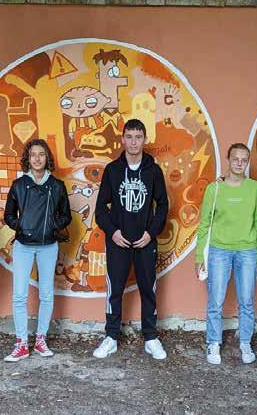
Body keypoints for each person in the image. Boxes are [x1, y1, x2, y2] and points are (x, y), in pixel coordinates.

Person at [92, 118, 169, 360]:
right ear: (123, 139)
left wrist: (151, 233)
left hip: (145, 241)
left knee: (148, 290)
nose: (134, 142)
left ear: (144, 140)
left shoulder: (153, 171)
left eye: (138, 137)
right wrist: (113, 232)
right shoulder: (112, 170)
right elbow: (100, 209)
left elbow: (163, 206)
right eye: (129, 137)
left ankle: (151, 337)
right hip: (119, 241)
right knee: (114, 290)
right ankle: (111, 337)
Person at [195, 143, 257, 365]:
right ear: (228, 160)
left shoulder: (256, 189)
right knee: (215, 301)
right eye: (235, 158)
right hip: (219, 250)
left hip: (248, 251)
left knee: (246, 301)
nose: (239, 163)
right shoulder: (214, 189)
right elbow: (204, 224)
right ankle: (213, 342)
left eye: (244, 160)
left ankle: (245, 342)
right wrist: (199, 257)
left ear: (247, 162)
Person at [3, 139, 71, 362]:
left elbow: (66, 216)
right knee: (19, 295)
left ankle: (41, 339)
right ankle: (21, 343)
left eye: (41, 154)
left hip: (48, 246)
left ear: (47, 157)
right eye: (33, 154)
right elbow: (8, 215)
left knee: (46, 294)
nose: (37, 158)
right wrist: (22, 226)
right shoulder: (19, 185)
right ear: (28, 158)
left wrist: (51, 226)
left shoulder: (57, 186)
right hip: (23, 246)